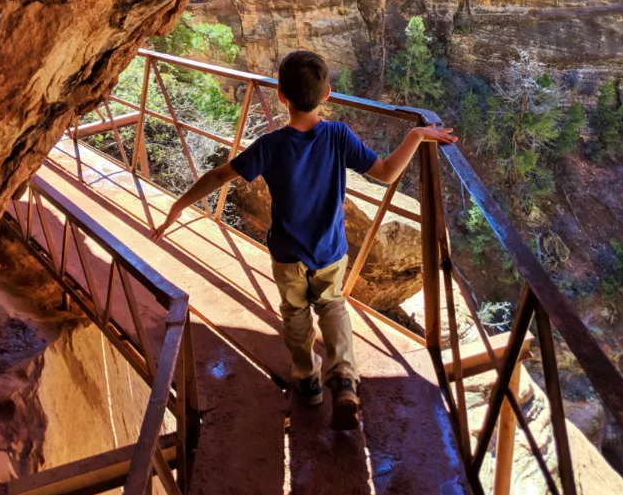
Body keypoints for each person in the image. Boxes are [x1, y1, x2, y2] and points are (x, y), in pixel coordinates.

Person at [151, 50, 457, 430]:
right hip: (329, 250)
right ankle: (343, 379)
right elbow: (385, 174)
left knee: (295, 315)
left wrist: (178, 206)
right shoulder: (337, 135)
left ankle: (308, 382)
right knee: (332, 306)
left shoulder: (271, 145)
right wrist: (416, 135)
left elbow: (218, 176)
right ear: (326, 93)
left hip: (287, 254)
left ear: (281, 95)